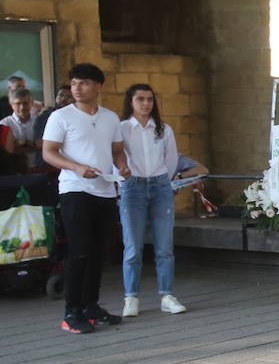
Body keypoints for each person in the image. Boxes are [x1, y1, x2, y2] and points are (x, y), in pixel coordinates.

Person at [41, 63, 129, 334]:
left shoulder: (110, 118)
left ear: (98, 86)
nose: (77, 88)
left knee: (97, 252)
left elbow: (117, 151)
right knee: (78, 251)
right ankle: (72, 312)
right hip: (74, 190)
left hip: (104, 190)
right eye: (74, 83)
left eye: (84, 83)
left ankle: (91, 306)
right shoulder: (61, 116)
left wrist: (122, 166)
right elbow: (49, 152)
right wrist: (77, 167)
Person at [117, 84, 188, 317]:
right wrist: (122, 179)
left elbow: (170, 159)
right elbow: (114, 155)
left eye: (149, 99)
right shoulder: (122, 128)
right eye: (140, 99)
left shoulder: (163, 129)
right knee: (132, 247)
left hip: (159, 186)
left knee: (164, 246)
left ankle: (167, 295)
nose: (145, 103)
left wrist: (164, 182)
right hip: (133, 187)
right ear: (131, 101)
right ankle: (131, 297)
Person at [1, 88, 38, 168]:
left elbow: (42, 145)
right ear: (11, 105)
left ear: (31, 103)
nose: (22, 107)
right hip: (13, 169)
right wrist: (32, 144)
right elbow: (5, 150)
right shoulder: (4, 124)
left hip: (38, 167)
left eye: (25, 103)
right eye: (18, 104)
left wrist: (18, 144)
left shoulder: (39, 122)